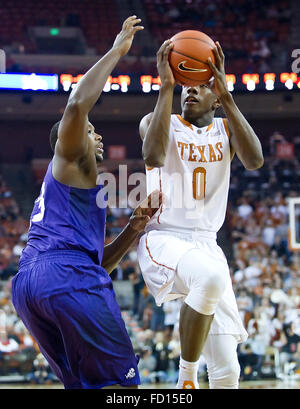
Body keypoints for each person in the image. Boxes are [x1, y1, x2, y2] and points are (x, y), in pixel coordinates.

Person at [11, 16, 161, 389]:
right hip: (62, 276)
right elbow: (77, 104)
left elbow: (96, 265)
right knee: (120, 386)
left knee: (85, 384)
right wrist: (116, 51)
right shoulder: (72, 158)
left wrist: (134, 227)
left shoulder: (70, 190)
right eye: (91, 131)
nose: (97, 135)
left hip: (32, 284)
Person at [137, 39, 264, 389]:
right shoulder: (159, 120)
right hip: (165, 237)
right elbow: (153, 155)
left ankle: (200, 377)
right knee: (208, 277)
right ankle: (186, 379)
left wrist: (229, 98)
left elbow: (254, 160)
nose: (190, 91)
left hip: (207, 246)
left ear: (215, 96)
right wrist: (165, 87)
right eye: (185, 87)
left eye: (201, 86)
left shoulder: (225, 129)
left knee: (227, 369)